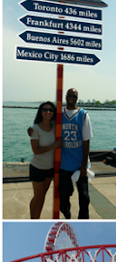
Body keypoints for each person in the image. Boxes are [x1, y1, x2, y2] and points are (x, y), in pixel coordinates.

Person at [59, 88, 92, 219]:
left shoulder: (83, 115)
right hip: (64, 164)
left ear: (77, 98)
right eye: (69, 95)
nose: (71, 98)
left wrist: (83, 165)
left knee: (84, 197)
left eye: (74, 96)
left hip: (80, 164)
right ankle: (66, 213)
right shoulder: (59, 113)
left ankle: (83, 220)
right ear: (66, 97)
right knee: (63, 196)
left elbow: (86, 141)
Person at [28, 101, 61, 218]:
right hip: (37, 167)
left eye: (51, 110)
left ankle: (38, 217)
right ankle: (33, 219)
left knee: (43, 196)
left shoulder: (55, 127)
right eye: (45, 110)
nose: (48, 112)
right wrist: (54, 146)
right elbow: (35, 150)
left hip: (50, 167)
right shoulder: (35, 128)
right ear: (40, 112)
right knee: (38, 196)